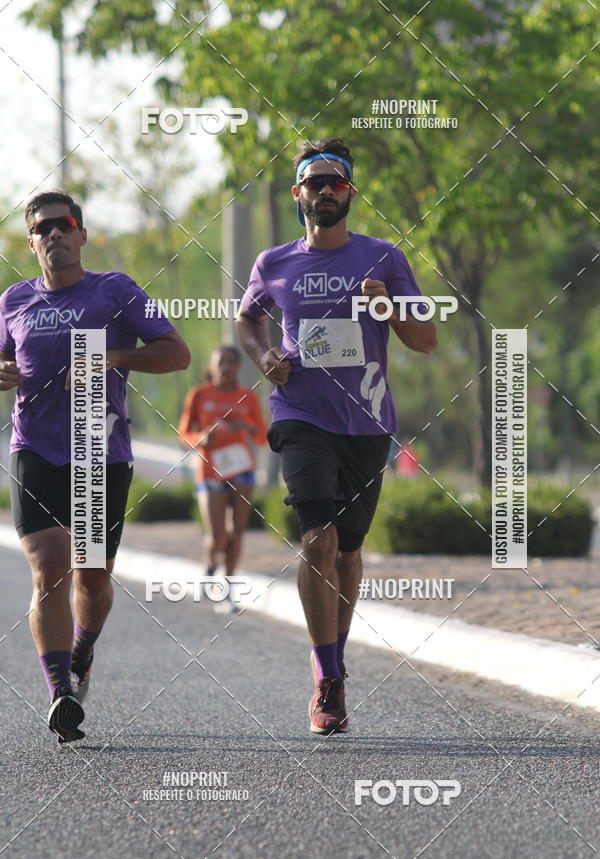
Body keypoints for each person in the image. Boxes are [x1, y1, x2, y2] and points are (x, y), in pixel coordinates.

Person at [236, 137, 437, 734]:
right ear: (297, 193)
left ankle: (336, 661)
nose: (326, 191)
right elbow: (247, 319)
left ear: (350, 192)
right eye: (315, 182)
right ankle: (325, 678)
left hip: (367, 422)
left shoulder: (384, 258)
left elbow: (426, 341)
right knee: (317, 539)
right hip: (300, 413)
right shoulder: (273, 263)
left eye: (337, 182)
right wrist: (263, 355)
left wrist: (391, 309)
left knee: (347, 552)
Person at [0, 191, 190, 743]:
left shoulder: (115, 291)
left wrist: (112, 357)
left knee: (92, 576)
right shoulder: (13, 301)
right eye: (43, 228)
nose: (54, 234)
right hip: (34, 448)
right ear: (31, 241)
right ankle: (60, 691)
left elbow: (176, 352)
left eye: (64, 224)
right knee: (49, 567)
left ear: (82, 234)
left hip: (98, 450)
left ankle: (82, 650)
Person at [178, 345, 267, 585]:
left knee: (237, 532)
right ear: (212, 367)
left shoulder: (248, 396)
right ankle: (210, 561)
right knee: (218, 536)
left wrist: (246, 427)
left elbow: (262, 437)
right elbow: (184, 434)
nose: (226, 367)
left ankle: (228, 584)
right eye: (221, 362)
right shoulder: (199, 394)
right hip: (210, 471)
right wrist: (202, 438)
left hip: (241, 468)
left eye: (231, 361)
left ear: (238, 366)